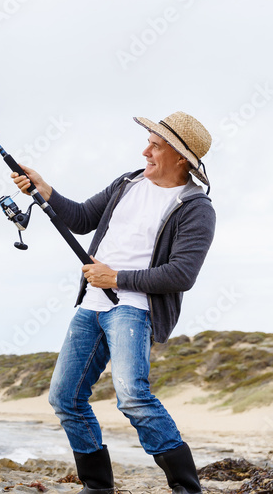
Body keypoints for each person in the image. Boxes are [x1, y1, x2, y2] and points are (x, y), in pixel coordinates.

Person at [11, 112, 215, 494]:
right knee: (65, 397)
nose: (145, 150)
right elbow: (84, 218)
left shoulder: (196, 208)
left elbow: (181, 274)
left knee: (133, 396)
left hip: (135, 308)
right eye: (149, 142)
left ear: (181, 157)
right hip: (92, 305)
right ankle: (97, 486)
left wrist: (117, 278)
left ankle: (187, 488)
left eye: (156, 145)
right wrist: (45, 189)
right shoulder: (127, 182)